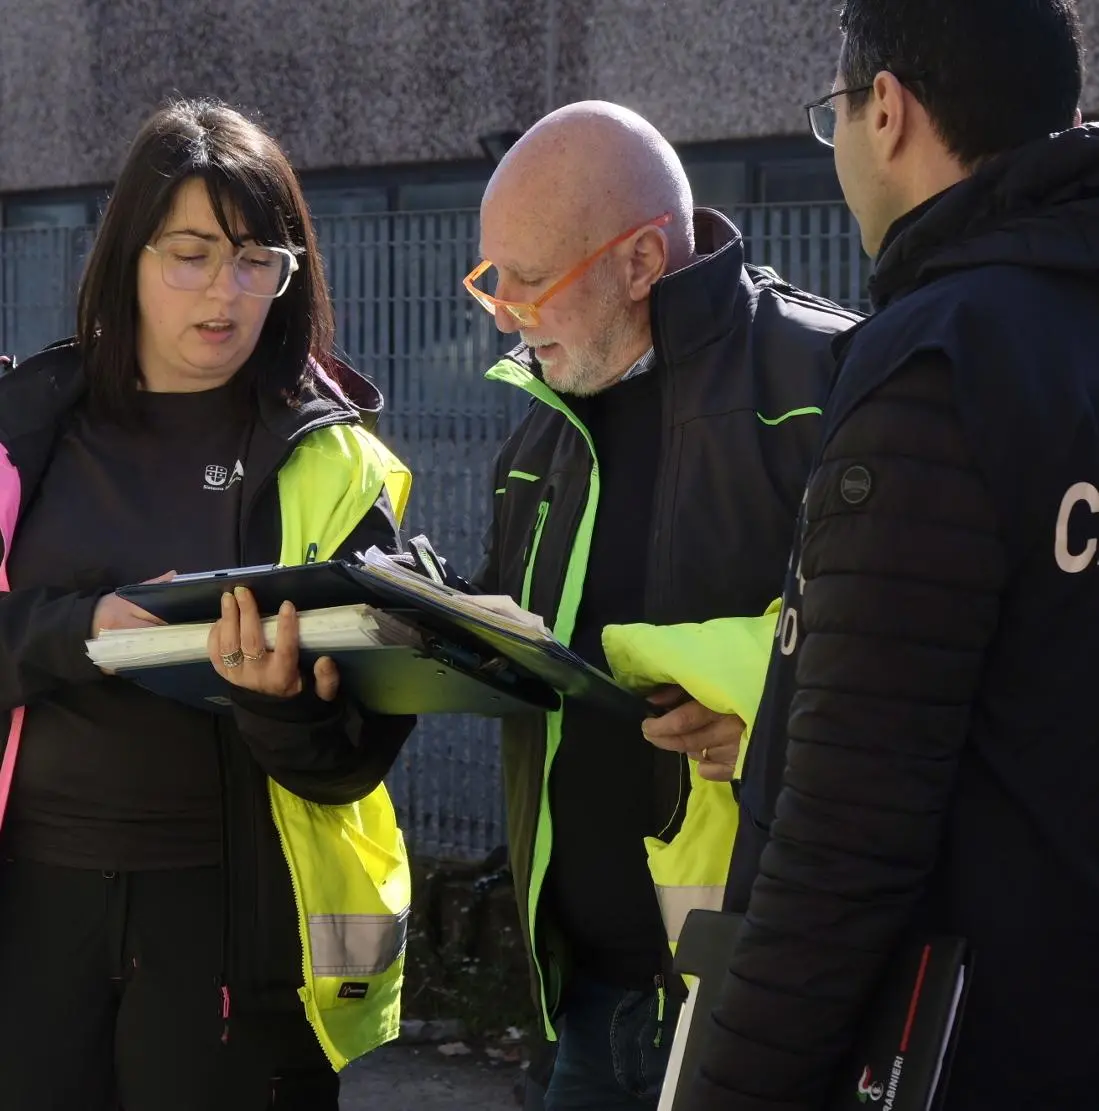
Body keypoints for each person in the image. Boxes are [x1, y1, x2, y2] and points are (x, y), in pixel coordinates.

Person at [678, 2, 1099, 1109]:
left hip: (963, 1047)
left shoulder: (936, 363)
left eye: (836, 115)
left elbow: (847, 839)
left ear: (886, 108)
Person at [0, 98, 416, 1110]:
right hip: (30, 909)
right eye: (189, 253)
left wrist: (279, 699)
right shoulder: (23, 426)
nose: (222, 293)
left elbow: (355, 755)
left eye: (253, 260)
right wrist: (82, 629)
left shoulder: (334, 459)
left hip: (234, 927)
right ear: (126, 257)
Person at [460, 100, 859, 1109]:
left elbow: (925, 652)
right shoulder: (537, 438)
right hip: (585, 1007)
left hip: (770, 1008)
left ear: (641, 261)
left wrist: (779, 722)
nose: (501, 311)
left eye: (530, 279)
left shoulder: (832, 385)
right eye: (490, 275)